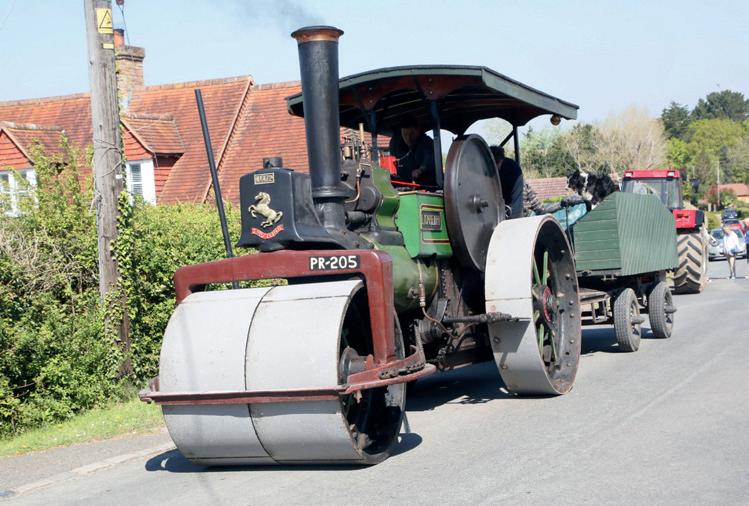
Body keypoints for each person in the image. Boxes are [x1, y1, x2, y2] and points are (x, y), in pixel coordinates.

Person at [388, 116, 437, 187]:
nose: (408, 138)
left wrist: (421, 170)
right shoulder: (395, 143)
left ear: (418, 130)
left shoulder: (427, 142)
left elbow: (430, 157)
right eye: (405, 135)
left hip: (427, 185)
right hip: (404, 185)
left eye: (412, 134)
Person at [489, 145, 524, 218]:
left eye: (497, 164)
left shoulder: (512, 170)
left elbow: (515, 202)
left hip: (512, 203)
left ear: (501, 161)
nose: (494, 168)